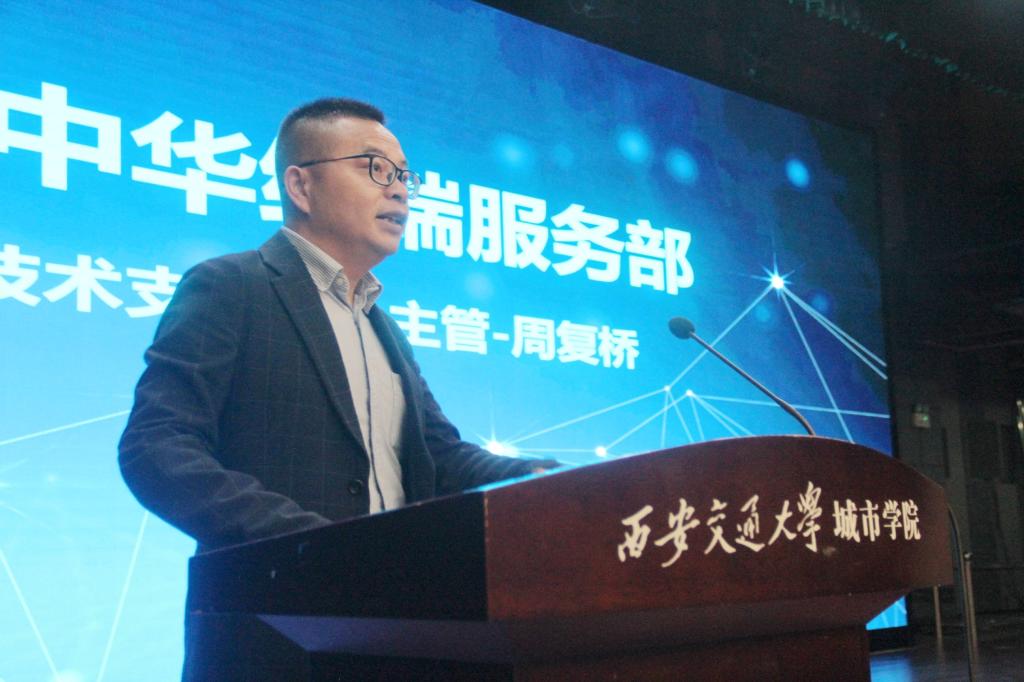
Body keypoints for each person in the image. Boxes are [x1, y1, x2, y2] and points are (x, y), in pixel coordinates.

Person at [118, 98, 552, 678]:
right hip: (273, 638)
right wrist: (311, 547)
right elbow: (157, 448)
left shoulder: (383, 325)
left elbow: (440, 458)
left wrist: (542, 480)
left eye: (405, 176)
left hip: (399, 636)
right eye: (375, 168)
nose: (399, 191)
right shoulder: (232, 286)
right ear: (301, 186)